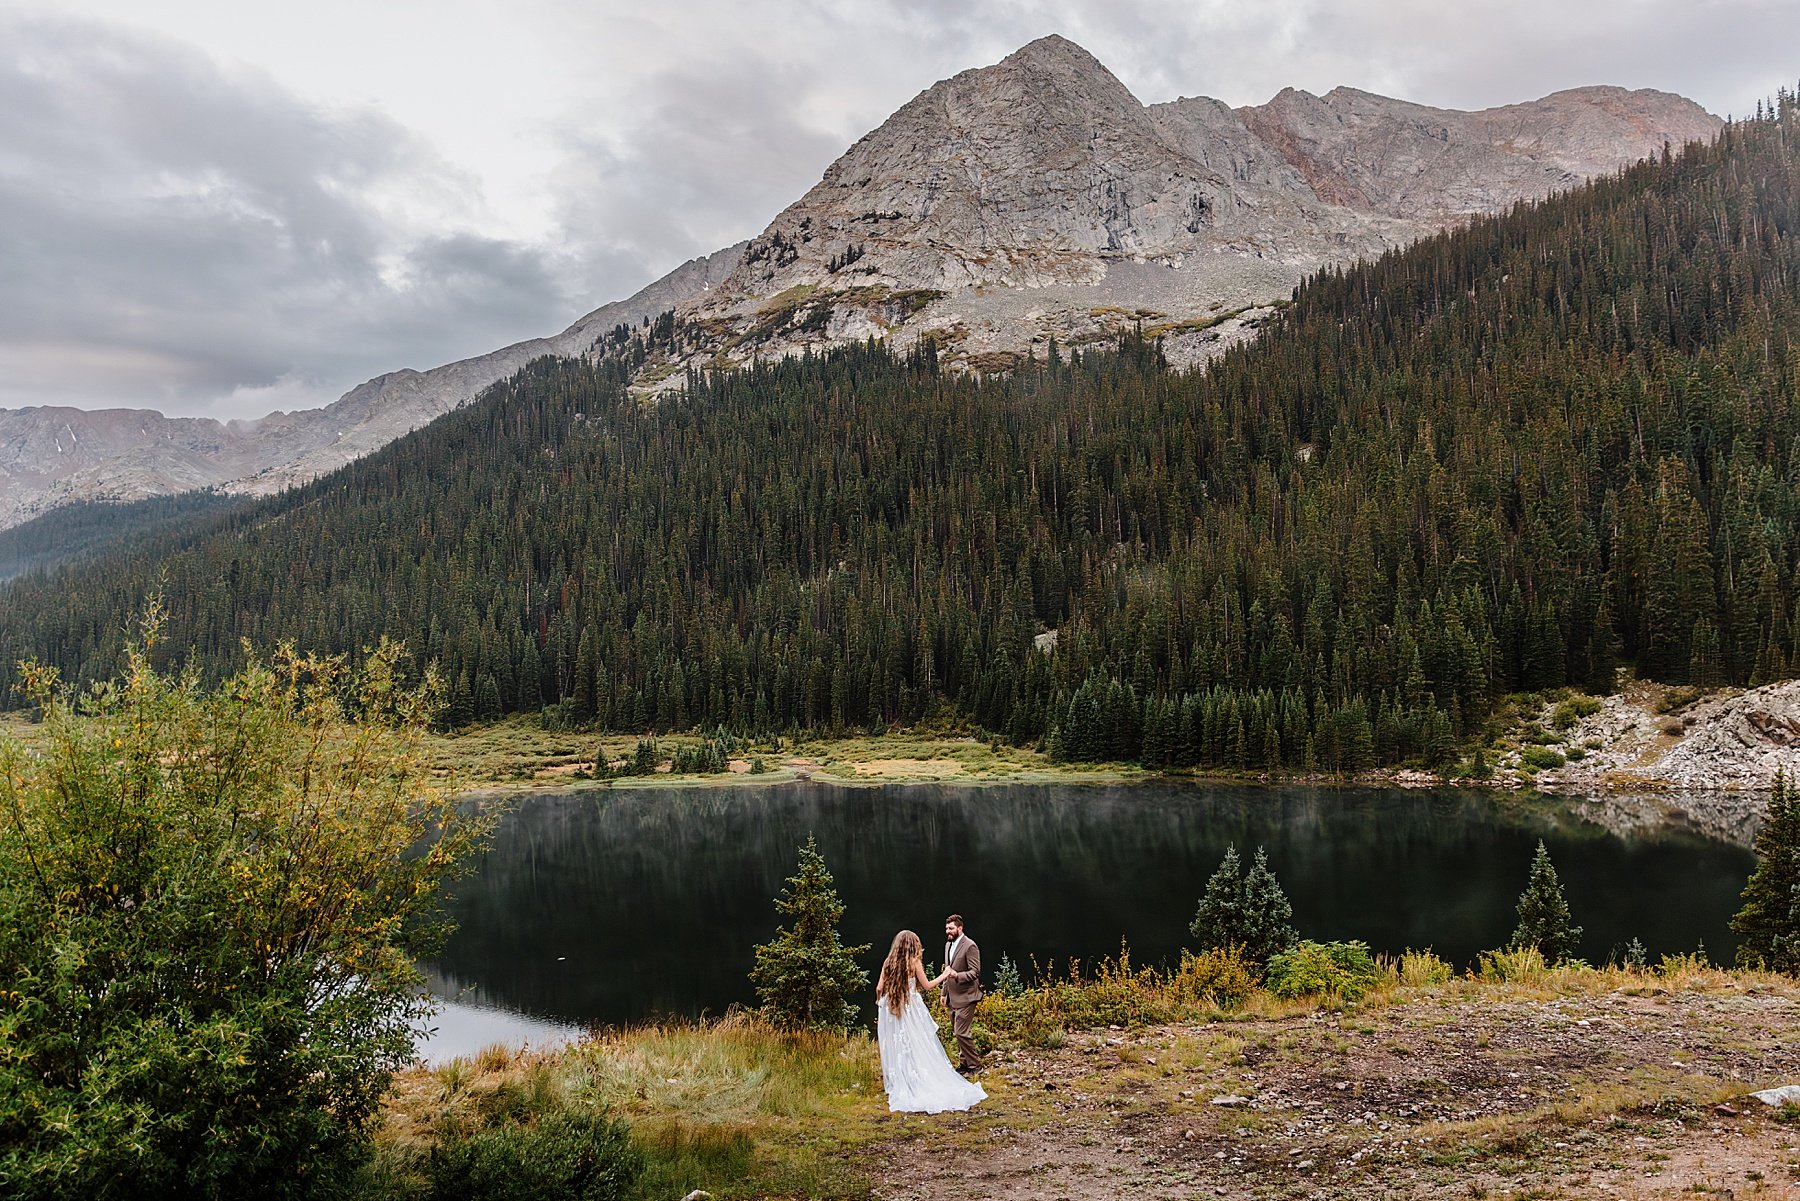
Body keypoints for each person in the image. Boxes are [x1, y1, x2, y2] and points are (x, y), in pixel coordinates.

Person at [874, 929, 986, 1113]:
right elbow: (927, 986)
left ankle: (903, 1080)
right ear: (913, 945)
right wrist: (945, 974)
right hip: (910, 1009)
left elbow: (879, 987)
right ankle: (919, 1078)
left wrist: (881, 1002)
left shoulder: (888, 962)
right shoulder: (913, 962)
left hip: (892, 1008)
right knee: (918, 1043)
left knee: (898, 1045)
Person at [941, 913, 983, 1075]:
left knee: (961, 1032)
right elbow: (947, 970)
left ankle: (975, 1066)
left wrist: (957, 975)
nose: (948, 931)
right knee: (958, 1033)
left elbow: (975, 972)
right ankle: (964, 1064)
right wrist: (944, 993)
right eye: (946, 928)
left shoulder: (970, 946)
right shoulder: (948, 945)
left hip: (967, 996)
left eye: (951, 928)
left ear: (960, 928)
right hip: (952, 996)